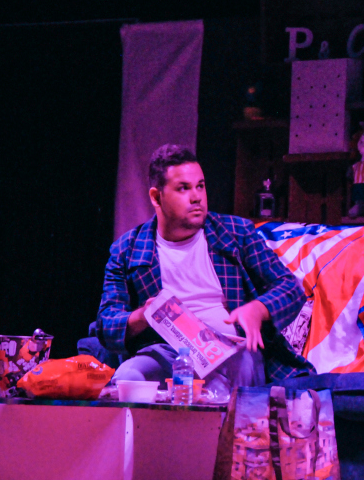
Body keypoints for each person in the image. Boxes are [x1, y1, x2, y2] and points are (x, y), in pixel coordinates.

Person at [96, 144, 314, 393]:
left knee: (240, 365)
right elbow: (106, 324)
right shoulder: (128, 250)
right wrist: (143, 315)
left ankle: (228, 415)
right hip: (167, 353)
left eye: (200, 186)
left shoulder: (236, 233)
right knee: (128, 375)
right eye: (183, 188)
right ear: (156, 197)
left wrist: (258, 308)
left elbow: (290, 288)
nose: (196, 197)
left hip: (233, 350)